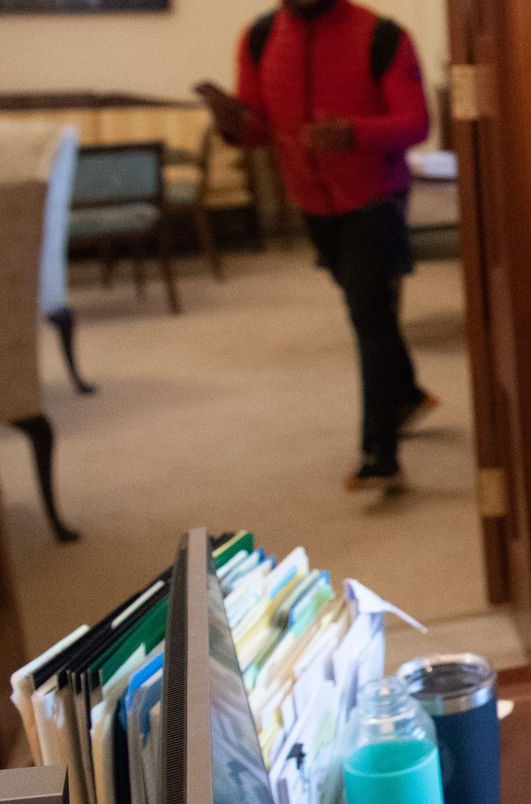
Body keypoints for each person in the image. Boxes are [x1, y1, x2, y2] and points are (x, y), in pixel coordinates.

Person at [202, 0, 436, 491]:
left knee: (368, 314)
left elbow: (415, 123)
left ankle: (380, 454)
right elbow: (259, 131)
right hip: (310, 201)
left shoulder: (383, 36)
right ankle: (408, 394)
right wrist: (231, 124)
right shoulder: (259, 37)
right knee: (369, 309)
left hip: (375, 198)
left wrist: (352, 133)